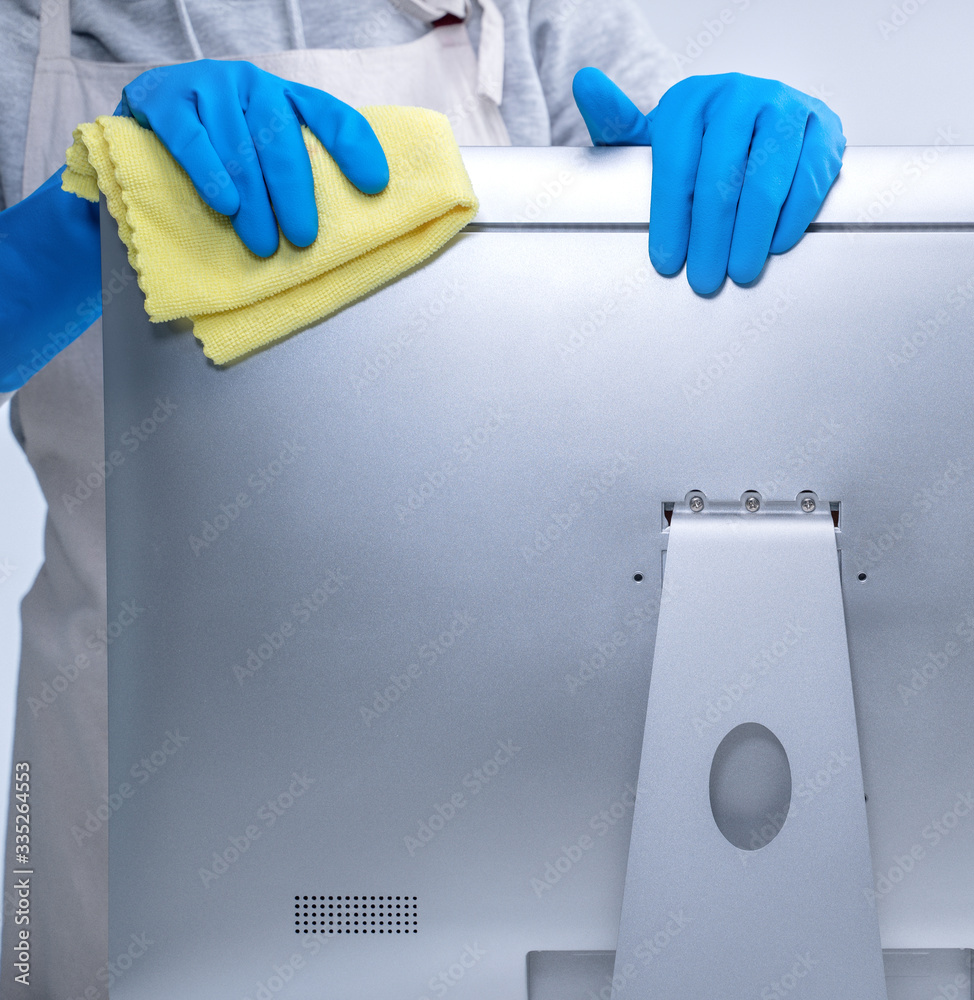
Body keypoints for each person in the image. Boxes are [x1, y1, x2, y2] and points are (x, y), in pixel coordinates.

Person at [0, 0, 846, 995]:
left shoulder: (521, 13)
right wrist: (69, 229)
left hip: (500, 775)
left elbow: (677, 263)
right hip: (128, 792)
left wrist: (743, 159)